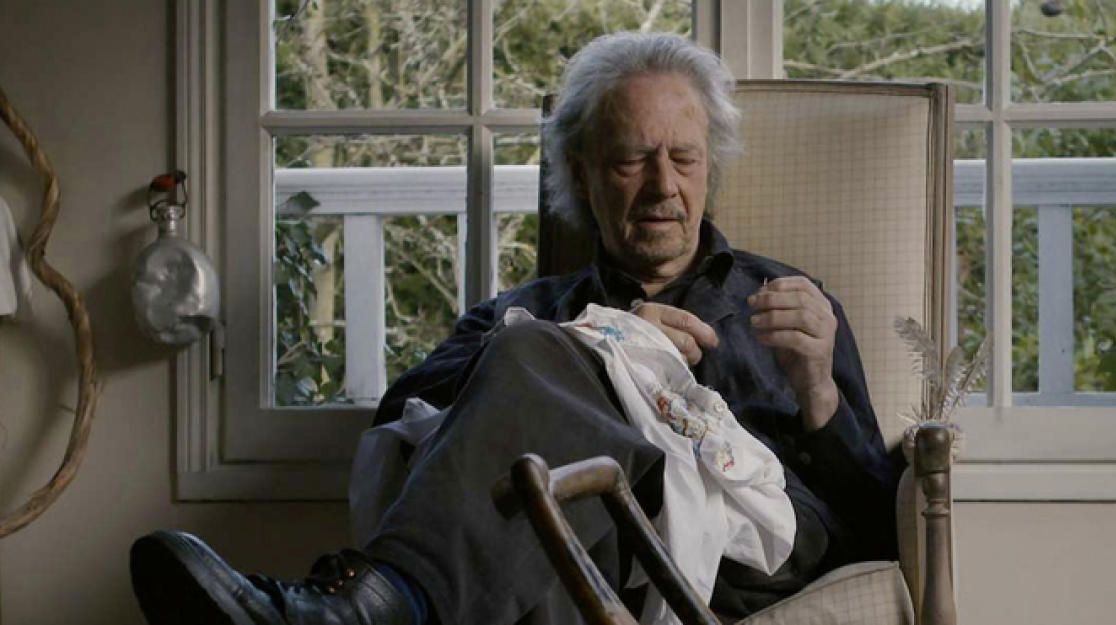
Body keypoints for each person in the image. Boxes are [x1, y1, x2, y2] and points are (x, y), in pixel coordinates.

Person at [129, 32, 903, 625]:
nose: (663, 186)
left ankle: (370, 605)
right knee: (542, 479)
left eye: (684, 158)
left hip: (751, 550)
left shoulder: (789, 301)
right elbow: (405, 420)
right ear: (583, 173)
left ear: (710, 166)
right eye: (632, 160)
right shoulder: (527, 313)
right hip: (586, 536)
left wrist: (819, 392)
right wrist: (607, 342)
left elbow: (876, 521)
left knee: (545, 492)